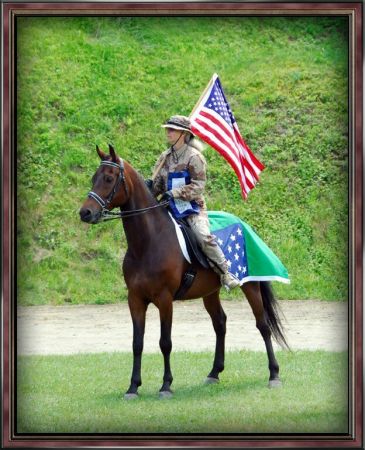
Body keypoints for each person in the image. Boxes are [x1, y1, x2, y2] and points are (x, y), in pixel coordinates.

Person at [147, 114, 240, 291]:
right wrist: (149, 188)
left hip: (192, 208)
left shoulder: (194, 157)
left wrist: (174, 193)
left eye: (172, 129)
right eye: (167, 129)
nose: (168, 132)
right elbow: (159, 184)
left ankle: (225, 273)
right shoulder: (164, 157)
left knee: (203, 235)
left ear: (183, 134)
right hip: (168, 208)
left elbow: (198, 185)